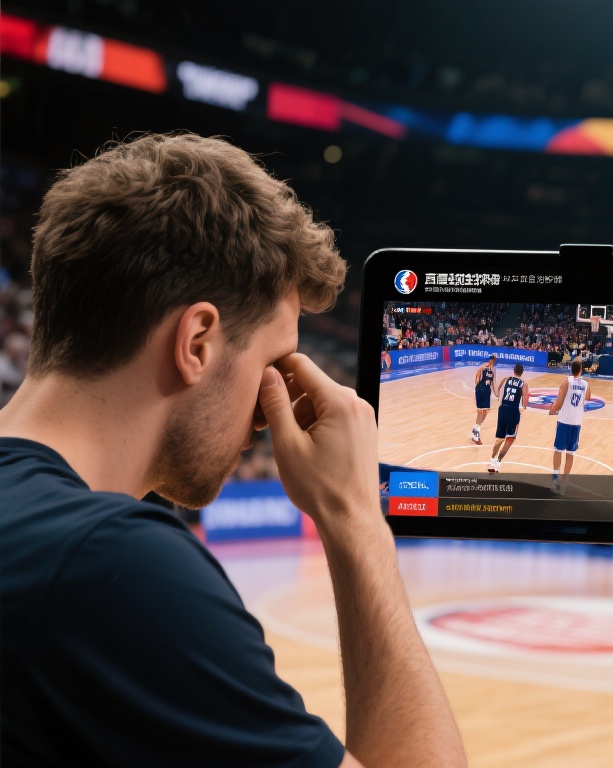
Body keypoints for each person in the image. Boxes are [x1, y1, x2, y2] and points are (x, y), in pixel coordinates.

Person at [0, 133, 466, 767]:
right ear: (197, 342)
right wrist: (356, 516)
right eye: (274, 365)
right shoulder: (111, 565)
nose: (271, 411)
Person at [548, 359, 591, 494]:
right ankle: (564, 484)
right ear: (581, 370)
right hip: (577, 422)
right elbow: (588, 398)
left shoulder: (566, 382)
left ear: (571, 369)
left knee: (558, 450)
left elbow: (559, 402)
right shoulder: (586, 384)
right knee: (570, 453)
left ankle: (554, 481)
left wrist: (552, 410)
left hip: (564, 421)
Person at [488, 362, 529, 473]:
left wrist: (499, 398)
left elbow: (497, 389)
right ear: (522, 372)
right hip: (513, 411)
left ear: (514, 371)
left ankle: (492, 461)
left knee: (500, 438)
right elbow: (525, 402)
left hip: (502, 409)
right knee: (510, 438)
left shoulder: (506, 379)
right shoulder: (524, 384)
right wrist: (523, 408)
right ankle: (498, 461)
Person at [470, 354, 498, 444]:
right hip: (481, 389)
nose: (493, 361)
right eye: (493, 359)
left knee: (486, 412)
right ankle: (476, 435)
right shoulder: (482, 367)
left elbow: (493, 383)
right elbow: (477, 379)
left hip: (487, 390)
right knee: (480, 412)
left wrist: (497, 394)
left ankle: (475, 429)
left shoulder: (493, 369)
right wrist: (477, 389)